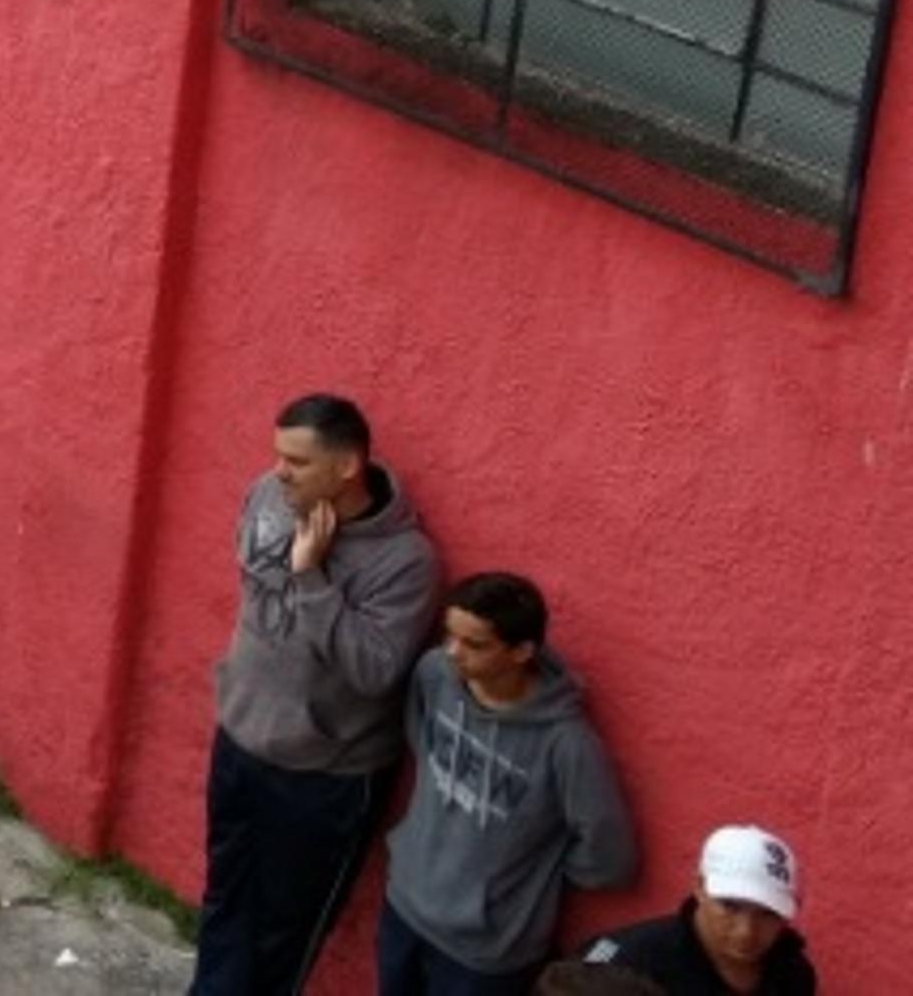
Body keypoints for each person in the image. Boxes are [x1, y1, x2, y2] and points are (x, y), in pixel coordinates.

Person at [186, 394, 443, 996]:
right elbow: (250, 577)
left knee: (284, 930)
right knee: (225, 894)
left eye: (297, 462)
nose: (279, 472)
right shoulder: (268, 497)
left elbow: (375, 671)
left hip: (323, 777)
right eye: (278, 456)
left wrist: (312, 576)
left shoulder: (406, 562)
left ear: (347, 466)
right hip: (242, 738)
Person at [377, 572, 636, 996]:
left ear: (521, 651)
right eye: (450, 635)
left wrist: (522, 886)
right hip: (405, 907)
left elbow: (609, 858)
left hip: (484, 955)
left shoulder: (566, 744)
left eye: (474, 644)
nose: (452, 652)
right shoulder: (433, 674)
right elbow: (418, 735)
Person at [576, 827, 813, 995]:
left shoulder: (792, 973)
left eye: (768, 914)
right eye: (730, 906)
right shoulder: (626, 966)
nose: (746, 932)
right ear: (700, 886)